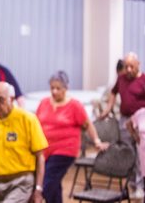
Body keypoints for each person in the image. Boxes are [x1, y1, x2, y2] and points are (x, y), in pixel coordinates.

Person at [36, 71, 108, 203]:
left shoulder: (74, 105)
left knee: (47, 183)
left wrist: (97, 141)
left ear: (65, 88)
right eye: (52, 88)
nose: (54, 91)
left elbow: (88, 125)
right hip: (45, 150)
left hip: (65, 150)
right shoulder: (44, 103)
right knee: (54, 184)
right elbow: (35, 124)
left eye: (58, 88)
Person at [100, 52, 145, 198]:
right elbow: (113, 92)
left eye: (131, 66)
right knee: (128, 153)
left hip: (141, 121)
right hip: (124, 120)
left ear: (138, 65)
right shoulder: (121, 78)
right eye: (126, 66)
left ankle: (141, 186)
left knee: (140, 154)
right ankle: (131, 185)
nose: (128, 69)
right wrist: (108, 108)